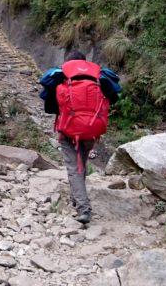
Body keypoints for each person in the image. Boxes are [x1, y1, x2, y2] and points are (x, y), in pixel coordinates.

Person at [38, 50, 121, 224]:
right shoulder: (97, 74)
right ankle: (77, 198)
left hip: (69, 129)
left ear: (68, 62)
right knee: (81, 163)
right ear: (84, 62)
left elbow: (48, 102)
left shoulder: (62, 74)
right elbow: (114, 97)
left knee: (73, 168)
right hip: (92, 128)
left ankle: (84, 208)